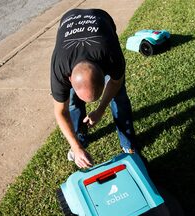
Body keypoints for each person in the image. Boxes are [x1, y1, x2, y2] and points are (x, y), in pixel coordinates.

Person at [50, 8, 137, 168]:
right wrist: (76, 149)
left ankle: (128, 145)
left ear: (104, 74)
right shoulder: (60, 68)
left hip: (101, 18)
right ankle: (79, 140)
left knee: (119, 97)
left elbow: (115, 83)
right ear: (69, 79)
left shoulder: (112, 56)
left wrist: (100, 109)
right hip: (68, 18)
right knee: (72, 103)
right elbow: (60, 112)